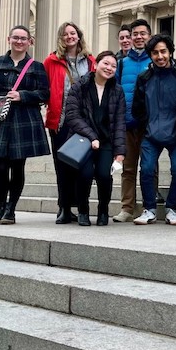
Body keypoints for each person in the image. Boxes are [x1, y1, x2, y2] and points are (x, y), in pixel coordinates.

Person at [0, 25, 50, 225]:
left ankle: (11, 209)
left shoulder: (36, 66)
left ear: (30, 42)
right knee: (0, 166)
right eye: (16, 38)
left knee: (18, 166)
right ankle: (0, 207)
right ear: (8, 39)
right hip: (1, 120)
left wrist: (23, 95)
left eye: (23, 39)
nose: (19, 42)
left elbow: (45, 94)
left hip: (24, 118)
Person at [131, 34, 176, 226]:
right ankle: (149, 209)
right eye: (155, 53)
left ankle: (173, 209)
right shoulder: (144, 77)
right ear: (151, 55)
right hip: (151, 133)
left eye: (163, 51)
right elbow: (137, 108)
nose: (160, 56)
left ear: (170, 52)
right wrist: (146, 124)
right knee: (146, 169)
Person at [64, 51, 126, 226]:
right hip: (83, 140)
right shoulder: (79, 86)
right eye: (106, 64)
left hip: (106, 141)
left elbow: (120, 122)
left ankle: (103, 210)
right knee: (85, 174)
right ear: (95, 65)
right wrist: (91, 136)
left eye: (113, 66)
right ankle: (83, 210)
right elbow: (72, 115)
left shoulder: (117, 90)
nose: (109, 68)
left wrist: (120, 152)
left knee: (104, 176)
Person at [43, 22, 96, 224]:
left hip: (85, 122)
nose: (69, 37)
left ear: (79, 36)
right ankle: (64, 208)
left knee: (83, 167)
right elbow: (46, 88)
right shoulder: (51, 61)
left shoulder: (90, 61)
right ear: (61, 38)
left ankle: (82, 207)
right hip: (61, 121)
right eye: (65, 34)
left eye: (73, 33)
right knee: (62, 166)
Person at [114, 19, 153, 222]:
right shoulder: (121, 63)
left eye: (142, 34)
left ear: (149, 35)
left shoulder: (155, 60)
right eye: (134, 34)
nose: (138, 37)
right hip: (127, 123)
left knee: (149, 168)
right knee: (128, 169)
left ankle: (149, 207)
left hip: (149, 124)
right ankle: (127, 208)